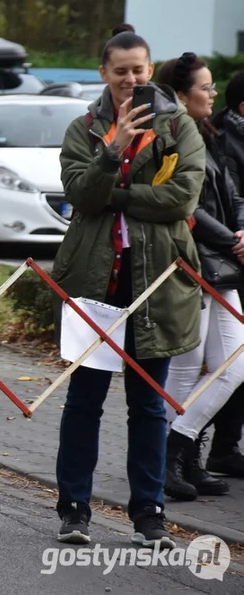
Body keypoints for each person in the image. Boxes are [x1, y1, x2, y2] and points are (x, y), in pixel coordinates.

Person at [52, 25, 204, 549]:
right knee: (85, 400)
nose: (131, 80)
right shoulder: (84, 128)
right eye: (121, 72)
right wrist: (111, 149)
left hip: (157, 284)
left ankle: (149, 515)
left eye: (139, 70)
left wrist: (115, 197)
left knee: (147, 406)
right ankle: (74, 510)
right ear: (104, 74)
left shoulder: (178, 126)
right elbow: (79, 192)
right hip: (97, 282)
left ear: (148, 67)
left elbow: (183, 200)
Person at [158, 57, 244, 496]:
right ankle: (173, 458)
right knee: (189, 367)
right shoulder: (171, 136)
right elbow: (185, 205)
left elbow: (232, 194)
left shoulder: (211, 136)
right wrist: (233, 240)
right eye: (205, 88)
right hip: (197, 263)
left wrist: (241, 231)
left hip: (222, 264)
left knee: (233, 365)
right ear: (181, 93)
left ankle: (178, 448)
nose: (213, 94)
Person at [205, 71, 244, 478]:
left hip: (232, 251)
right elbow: (218, 203)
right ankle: (191, 446)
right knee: (228, 362)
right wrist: (237, 239)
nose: (210, 94)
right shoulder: (219, 137)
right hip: (226, 262)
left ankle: (223, 447)